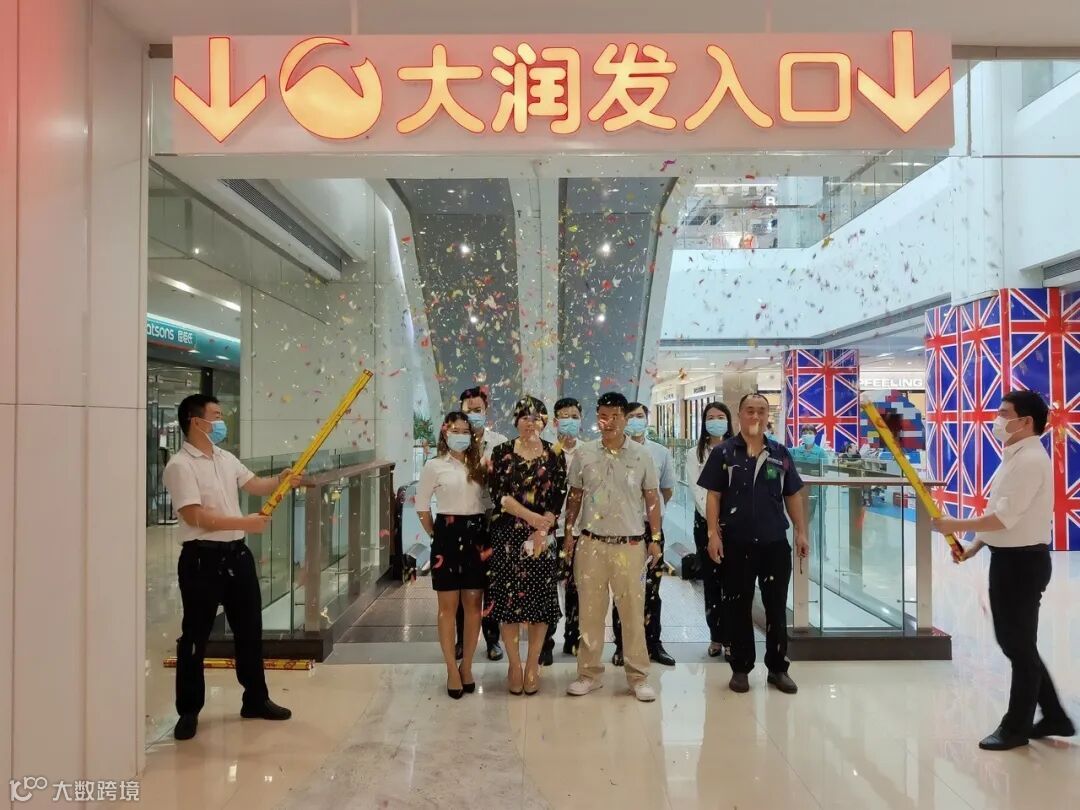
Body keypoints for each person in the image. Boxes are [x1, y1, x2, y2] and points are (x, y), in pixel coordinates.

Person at [932, 390, 1075, 750]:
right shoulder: (1015, 457)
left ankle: (1015, 728)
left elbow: (1003, 517)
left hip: (1022, 565)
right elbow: (1001, 515)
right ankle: (1054, 716)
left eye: (1004, 413)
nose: (997, 419)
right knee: (1017, 643)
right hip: (1010, 560)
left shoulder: (1029, 461)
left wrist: (954, 524)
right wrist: (974, 546)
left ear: (1026, 421)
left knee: (1018, 647)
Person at [162, 394, 301, 741]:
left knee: (249, 630)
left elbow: (254, 484)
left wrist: (281, 479)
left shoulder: (225, 458)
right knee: (195, 636)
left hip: (237, 557)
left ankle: (255, 699)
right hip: (201, 559)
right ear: (196, 421)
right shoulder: (180, 465)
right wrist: (244, 522)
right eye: (216, 415)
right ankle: (189, 710)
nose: (221, 421)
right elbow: (194, 516)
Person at [698, 392, 809, 695]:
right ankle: (741, 667)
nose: (756, 416)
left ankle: (777, 668)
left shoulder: (779, 453)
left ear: (767, 415)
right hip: (737, 544)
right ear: (740, 414)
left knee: (776, 607)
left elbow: (792, 494)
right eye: (750, 410)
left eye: (761, 410)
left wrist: (801, 531)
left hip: (774, 543)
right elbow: (713, 496)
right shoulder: (724, 453)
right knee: (737, 606)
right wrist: (712, 534)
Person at [563, 392, 662, 702]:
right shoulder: (585, 454)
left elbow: (652, 498)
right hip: (591, 543)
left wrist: (655, 538)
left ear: (625, 418)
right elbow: (575, 496)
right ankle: (589, 674)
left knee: (632, 614)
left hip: (630, 545)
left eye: (615, 416)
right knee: (590, 613)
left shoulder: (641, 455)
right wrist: (568, 534)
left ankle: (638, 677)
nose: (609, 422)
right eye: (603, 416)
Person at [487, 396, 568, 695]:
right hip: (507, 536)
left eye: (535, 418)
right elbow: (500, 496)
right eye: (524, 417)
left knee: (540, 603)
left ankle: (532, 663)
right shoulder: (501, 452)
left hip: (542, 538)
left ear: (544, 422)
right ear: (516, 421)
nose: (530, 423)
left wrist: (542, 528)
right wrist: (534, 519)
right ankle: (514, 664)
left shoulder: (554, 454)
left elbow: (558, 496)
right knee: (508, 603)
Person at [415, 411, 489, 699]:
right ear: (445, 433)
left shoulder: (480, 464)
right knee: (447, 607)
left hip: (476, 535)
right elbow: (422, 505)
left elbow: (489, 502)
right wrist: (435, 534)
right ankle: (451, 668)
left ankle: (467, 665)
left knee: (473, 605)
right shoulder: (434, 466)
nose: (460, 435)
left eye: (465, 431)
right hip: (446, 534)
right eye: (454, 430)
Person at [611, 402, 676, 667]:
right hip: (623, 529)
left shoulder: (660, 452)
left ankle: (653, 643)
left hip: (651, 529)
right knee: (623, 589)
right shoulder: (614, 451)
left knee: (652, 588)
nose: (635, 421)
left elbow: (666, 490)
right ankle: (622, 645)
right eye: (630, 417)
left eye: (640, 416)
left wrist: (654, 521)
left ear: (647, 419)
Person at [456, 386, 508, 662]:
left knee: (491, 583)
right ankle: (462, 640)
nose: (473, 415)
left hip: (492, 521)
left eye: (478, 410)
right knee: (462, 584)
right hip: (463, 522)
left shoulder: (499, 443)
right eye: (469, 410)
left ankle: (492, 639)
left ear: (486, 412)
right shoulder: (455, 445)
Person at [684, 401, 733, 658]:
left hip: (735, 523)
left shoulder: (737, 449)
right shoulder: (695, 454)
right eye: (710, 417)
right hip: (705, 524)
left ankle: (732, 637)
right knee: (712, 581)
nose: (715, 421)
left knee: (733, 581)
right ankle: (716, 635)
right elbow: (698, 490)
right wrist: (713, 522)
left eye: (720, 417)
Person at [541, 397, 584, 665]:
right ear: (555, 422)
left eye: (575, 416)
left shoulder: (589, 452)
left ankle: (573, 637)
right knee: (547, 587)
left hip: (581, 531)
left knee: (576, 587)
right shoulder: (545, 453)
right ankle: (546, 641)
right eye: (564, 416)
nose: (570, 421)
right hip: (549, 531)